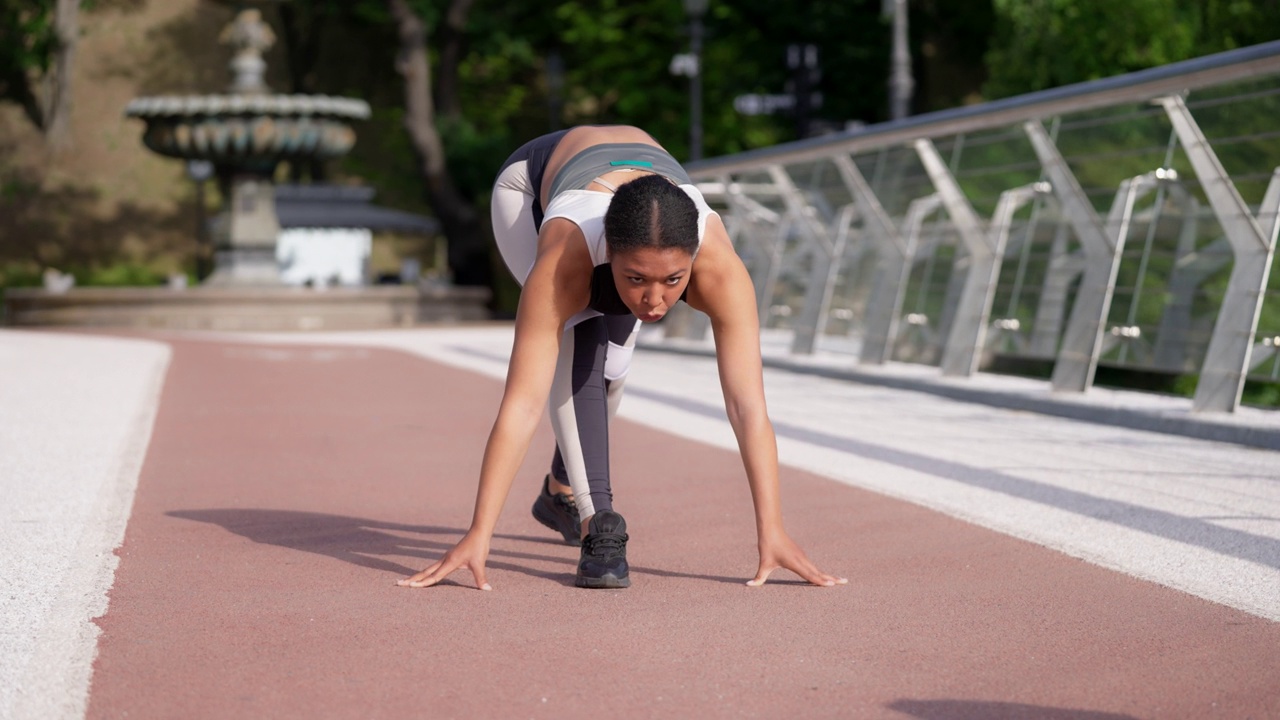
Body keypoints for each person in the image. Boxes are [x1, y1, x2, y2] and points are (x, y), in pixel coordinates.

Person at [398, 125, 846, 590]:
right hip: (528, 186)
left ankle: (560, 492)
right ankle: (598, 523)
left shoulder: (722, 270)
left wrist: (772, 528)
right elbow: (523, 404)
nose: (654, 301)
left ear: (692, 258)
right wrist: (479, 532)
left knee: (614, 366)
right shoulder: (566, 256)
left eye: (673, 281)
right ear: (609, 253)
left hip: (633, 185)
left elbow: (747, 406)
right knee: (584, 339)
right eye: (635, 279)